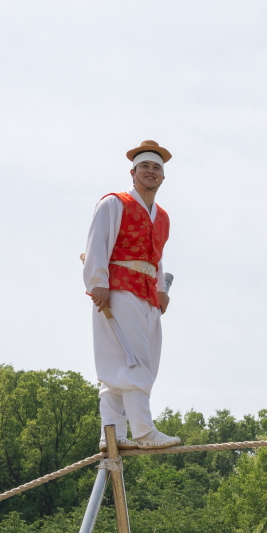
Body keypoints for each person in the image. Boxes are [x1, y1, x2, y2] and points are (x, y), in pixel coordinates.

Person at [82, 142, 182, 451]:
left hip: (148, 293)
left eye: (157, 168)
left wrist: (162, 291)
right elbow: (97, 241)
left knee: (127, 363)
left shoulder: (162, 216)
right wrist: (96, 281)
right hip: (119, 289)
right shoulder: (114, 203)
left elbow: (156, 256)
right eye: (146, 167)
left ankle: (111, 434)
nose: (152, 172)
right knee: (135, 359)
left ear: (163, 177)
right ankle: (143, 430)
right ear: (133, 172)